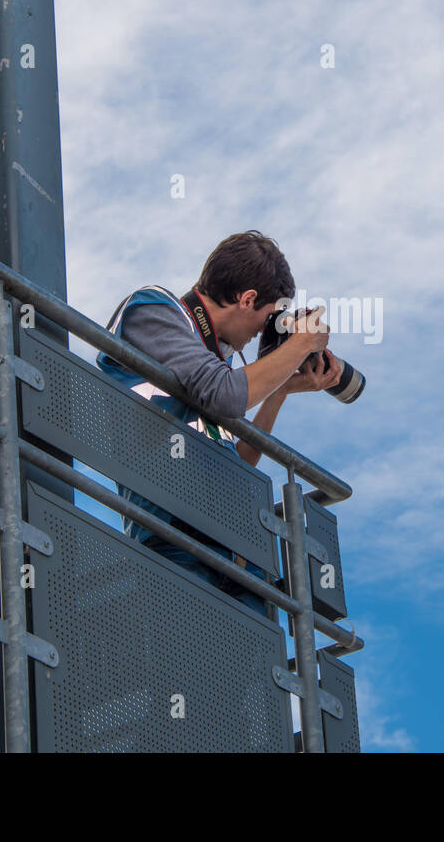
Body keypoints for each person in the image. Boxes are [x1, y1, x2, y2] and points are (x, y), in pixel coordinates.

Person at [96, 230, 344, 618]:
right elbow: (225, 394)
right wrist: (300, 344)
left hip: (240, 555)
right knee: (187, 668)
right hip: (175, 540)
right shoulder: (154, 308)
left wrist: (279, 390)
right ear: (247, 299)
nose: (261, 334)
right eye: (265, 320)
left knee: (257, 677)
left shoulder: (216, 371)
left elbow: (239, 463)